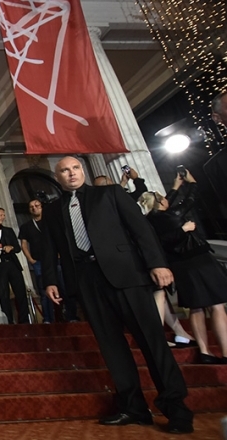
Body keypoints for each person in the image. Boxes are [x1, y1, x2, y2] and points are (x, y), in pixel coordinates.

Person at [41, 156, 193, 434]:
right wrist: (51, 281)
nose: (71, 173)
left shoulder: (109, 193)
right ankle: (133, 408)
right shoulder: (52, 210)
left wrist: (157, 263)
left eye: (75, 168)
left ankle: (176, 408)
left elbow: (141, 229)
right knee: (112, 348)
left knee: (152, 341)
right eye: (65, 170)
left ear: (83, 172)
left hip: (127, 277)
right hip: (87, 283)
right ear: (58, 176)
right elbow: (50, 250)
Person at [139, 170, 227, 364]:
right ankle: (226, 351)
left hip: (180, 267)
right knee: (217, 306)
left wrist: (175, 187)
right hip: (199, 261)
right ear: (160, 203)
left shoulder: (147, 222)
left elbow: (164, 204)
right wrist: (192, 182)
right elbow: (190, 200)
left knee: (196, 308)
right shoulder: (173, 216)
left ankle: (204, 352)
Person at [98, 167, 194, 346]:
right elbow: (143, 195)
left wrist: (125, 183)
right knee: (157, 294)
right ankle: (155, 337)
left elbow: (155, 200)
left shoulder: (102, 208)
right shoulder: (118, 204)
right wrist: (135, 180)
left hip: (133, 257)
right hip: (138, 257)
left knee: (160, 295)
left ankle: (180, 333)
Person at [19, 198, 67, 323]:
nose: (34, 208)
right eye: (31, 207)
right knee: (43, 290)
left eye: (37, 205)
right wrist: (30, 259)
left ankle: (69, 316)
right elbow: (23, 244)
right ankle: (47, 318)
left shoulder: (51, 222)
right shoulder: (26, 226)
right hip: (39, 262)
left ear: (42, 206)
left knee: (63, 287)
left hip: (56, 260)